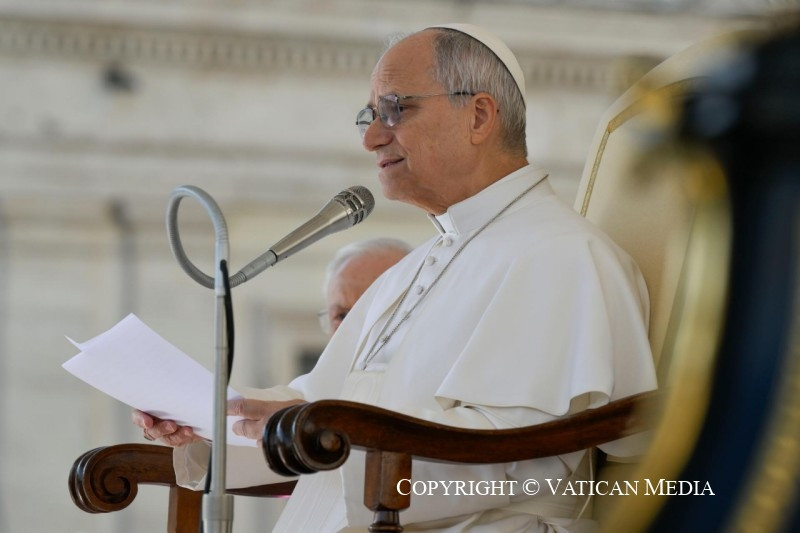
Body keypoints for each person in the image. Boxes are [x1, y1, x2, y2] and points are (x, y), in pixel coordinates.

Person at [134, 23, 657, 532]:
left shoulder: (564, 256)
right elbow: (317, 405)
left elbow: (521, 458)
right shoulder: (408, 271)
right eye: (369, 116)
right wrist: (208, 425)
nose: (372, 138)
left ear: (478, 116)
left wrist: (333, 434)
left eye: (395, 110)